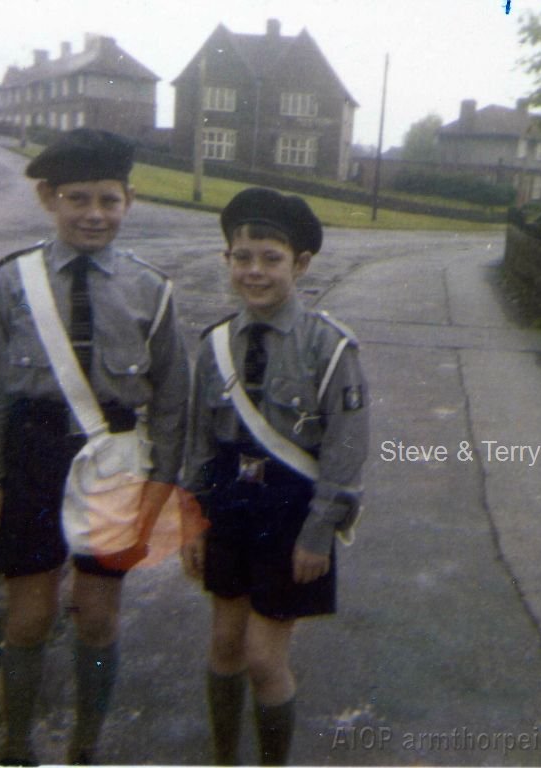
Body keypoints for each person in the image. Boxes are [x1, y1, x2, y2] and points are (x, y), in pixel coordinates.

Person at [0, 128, 190, 766]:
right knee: (28, 619)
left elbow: (174, 398)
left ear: (130, 200)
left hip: (115, 462)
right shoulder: (15, 282)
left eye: (108, 199)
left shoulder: (152, 289)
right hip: (31, 456)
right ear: (48, 199)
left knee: (97, 618)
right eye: (77, 199)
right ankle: (15, 748)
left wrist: (161, 487)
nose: (93, 213)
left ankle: (85, 747)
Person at [181, 187, 369, 765]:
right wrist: (191, 521)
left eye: (271, 258)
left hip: (292, 515)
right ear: (228, 259)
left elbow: (345, 448)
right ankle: (224, 758)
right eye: (243, 258)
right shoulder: (216, 344)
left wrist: (320, 532)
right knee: (224, 644)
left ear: (301, 264)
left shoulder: (330, 347)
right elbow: (198, 442)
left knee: (265, 659)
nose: (254, 271)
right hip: (229, 508)